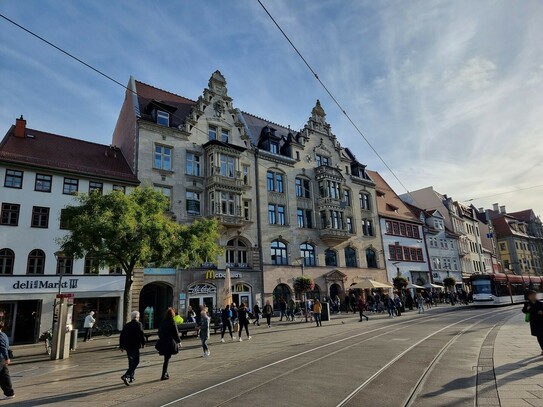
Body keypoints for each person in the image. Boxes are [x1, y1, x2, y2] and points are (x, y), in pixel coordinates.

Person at [119, 311, 146, 386]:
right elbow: (141, 334)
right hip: (135, 345)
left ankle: (131, 377)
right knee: (136, 361)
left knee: (131, 361)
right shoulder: (139, 324)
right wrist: (143, 343)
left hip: (127, 346)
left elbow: (122, 336)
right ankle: (126, 375)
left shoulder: (127, 325)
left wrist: (121, 346)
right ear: (137, 317)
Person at [156, 307, 181, 381]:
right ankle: (164, 374)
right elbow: (176, 333)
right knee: (166, 359)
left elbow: (159, 332)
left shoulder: (163, 321)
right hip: (169, 342)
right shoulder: (172, 321)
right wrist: (179, 341)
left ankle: (165, 373)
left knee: (166, 358)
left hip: (163, 341)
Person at [522, 290, 543, 355]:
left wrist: (542, 312)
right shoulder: (527, 304)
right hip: (534, 322)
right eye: (532, 295)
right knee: (539, 337)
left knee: (542, 336)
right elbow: (524, 311)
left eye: (534, 295)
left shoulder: (540, 303)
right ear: (529, 296)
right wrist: (527, 309)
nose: (533, 296)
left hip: (541, 321)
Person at [0, 323, 14, 400]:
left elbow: (3, 347)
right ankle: (9, 393)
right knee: (4, 376)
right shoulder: (4, 334)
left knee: (4, 376)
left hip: (1, 358)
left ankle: (9, 393)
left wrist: (6, 357)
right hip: (2, 358)